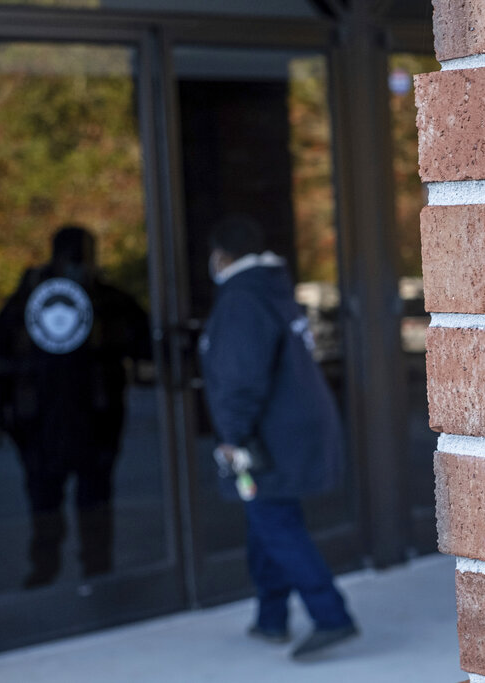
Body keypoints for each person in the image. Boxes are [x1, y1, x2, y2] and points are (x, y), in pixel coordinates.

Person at [199, 214, 357, 661]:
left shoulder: (241, 301)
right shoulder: (271, 289)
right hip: (290, 432)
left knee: (274, 522)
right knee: (264, 519)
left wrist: (232, 435)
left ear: (221, 255)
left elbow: (240, 377)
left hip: (266, 440)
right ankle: (271, 618)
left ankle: (331, 617)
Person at [0, 225, 150, 588]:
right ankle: (51, 569)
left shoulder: (105, 301)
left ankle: (92, 569)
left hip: (89, 422)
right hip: (44, 424)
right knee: (49, 503)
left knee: (87, 502)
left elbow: (144, 342)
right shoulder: (29, 301)